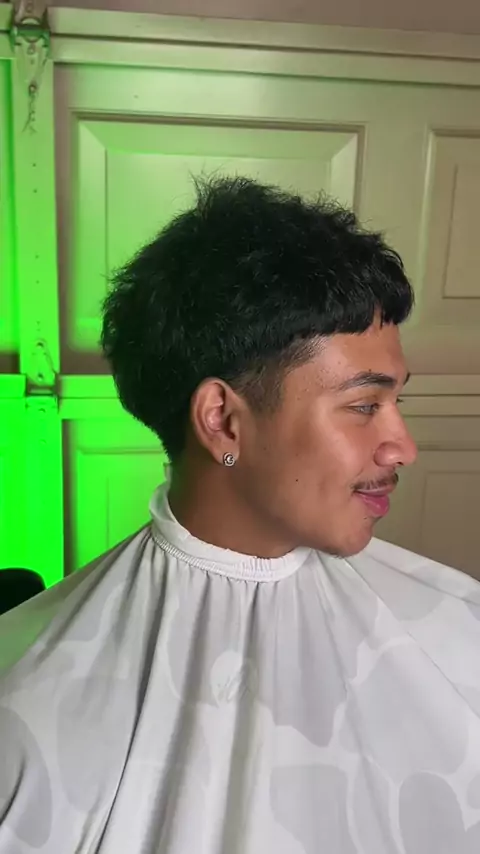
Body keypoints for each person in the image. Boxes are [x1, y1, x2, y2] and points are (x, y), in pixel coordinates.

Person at [0, 176, 479, 854]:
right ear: (223, 421)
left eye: (398, 402)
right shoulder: (25, 705)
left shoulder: (459, 632)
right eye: (364, 406)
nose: (403, 445)